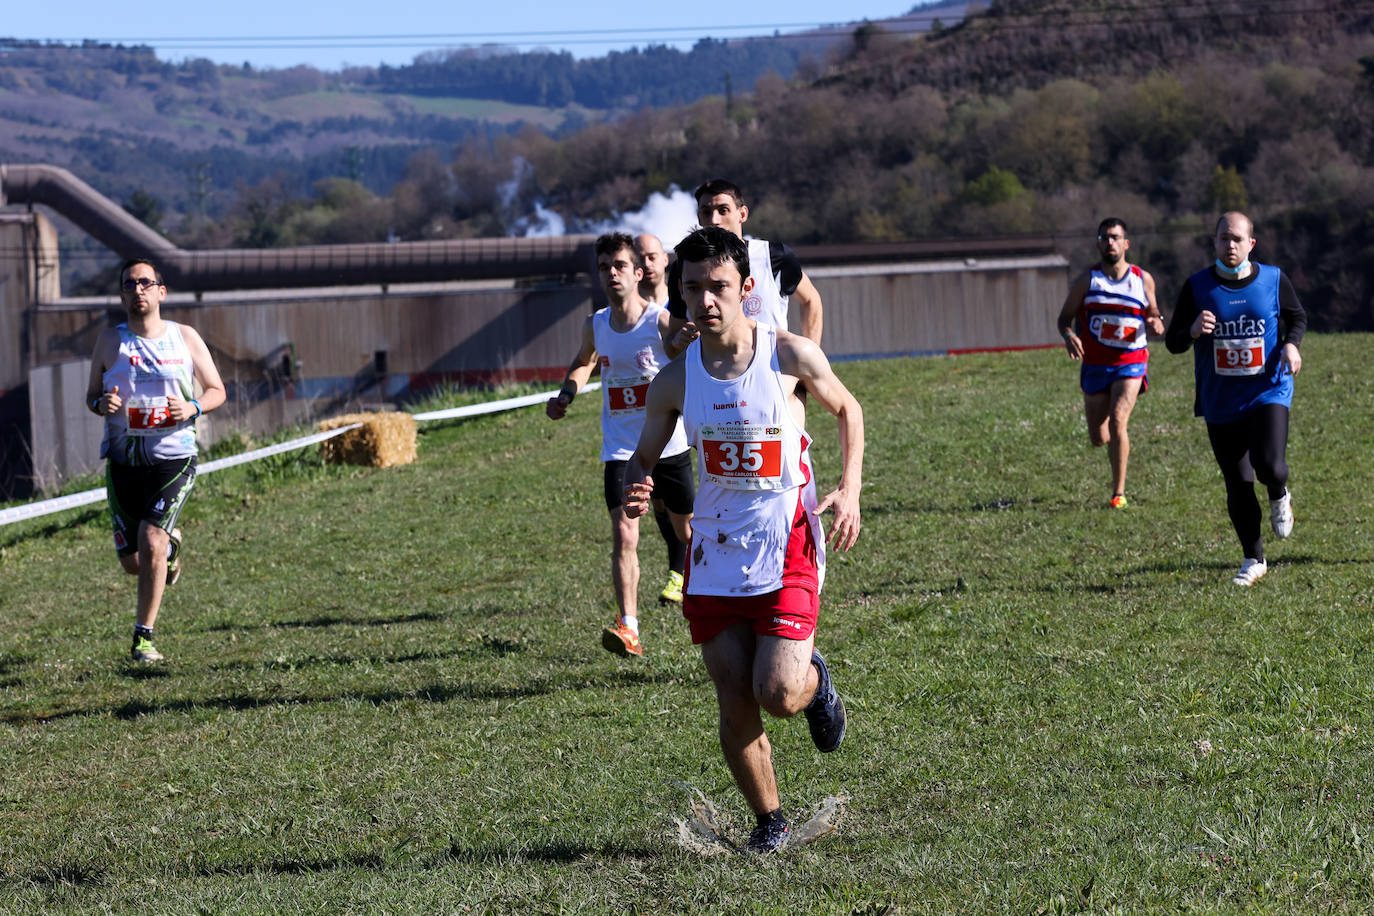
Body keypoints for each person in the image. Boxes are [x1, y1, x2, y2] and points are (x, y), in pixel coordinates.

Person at [623, 227, 864, 854]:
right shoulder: (674, 381)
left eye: (718, 287)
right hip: (716, 553)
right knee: (733, 692)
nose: (705, 300)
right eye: (693, 288)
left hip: (785, 536)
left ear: (746, 288)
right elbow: (643, 452)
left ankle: (816, 679)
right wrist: (637, 482)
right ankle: (770, 822)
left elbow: (848, 410)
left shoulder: (788, 356)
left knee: (778, 692)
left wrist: (851, 487)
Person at [546, 232, 695, 656]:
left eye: (619, 266)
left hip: (668, 447)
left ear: (637, 272)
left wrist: (682, 341)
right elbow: (583, 360)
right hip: (620, 452)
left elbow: (675, 345)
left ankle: (704, 593)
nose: (611, 274)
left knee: (686, 531)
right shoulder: (596, 324)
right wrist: (566, 395)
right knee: (625, 533)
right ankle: (629, 626)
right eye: (603, 268)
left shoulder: (658, 320)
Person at [85, 258, 226, 662]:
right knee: (134, 562)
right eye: (130, 285)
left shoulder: (185, 337)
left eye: (146, 283)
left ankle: (143, 638)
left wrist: (193, 407)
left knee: (150, 541)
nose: (138, 291)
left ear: (161, 292)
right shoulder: (110, 341)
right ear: (122, 294)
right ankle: (172, 549)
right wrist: (101, 402)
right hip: (123, 461)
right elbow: (91, 396)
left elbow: (217, 389)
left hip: (173, 457)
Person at [1165, 212, 1306, 586]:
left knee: (1270, 465)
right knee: (1238, 482)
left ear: (1251, 244)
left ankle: (1279, 493)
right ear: (1214, 242)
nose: (1231, 245)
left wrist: (1291, 346)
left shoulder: (1274, 280)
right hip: (1221, 400)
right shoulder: (1196, 286)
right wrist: (1192, 330)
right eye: (1224, 238)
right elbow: (1172, 341)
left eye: (1238, 239)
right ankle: (1253, 558)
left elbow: (1297, 317)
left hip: (1268, 389)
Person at [1056, 218, 1164, 509]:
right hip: (1095, 365)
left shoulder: (1142, 279)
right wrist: (1068, 335)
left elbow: (1154, 312)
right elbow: (1064, 319)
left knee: (1119, 422)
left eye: (1115, 237)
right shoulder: (1087, 281)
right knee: (1098, 437)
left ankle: (1118, 493)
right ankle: (1112, 446)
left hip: (1131, 361)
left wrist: (1155, 322)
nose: (1110, 243)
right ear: (1098, 244)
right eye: (1104, 238)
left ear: (1126, 244)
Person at [665, 179, 824, 346]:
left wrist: (812, 351)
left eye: (723, 210)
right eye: (706, 212)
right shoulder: (685, 268)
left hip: (771, 368)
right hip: (714, 369)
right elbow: (670, 343)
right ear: (699, 218)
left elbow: (810, 300)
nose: (714, 219)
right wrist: (677, 342)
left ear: (742, 214)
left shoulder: (773, 256)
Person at [635, 233, 671, 306]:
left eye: (652, 257)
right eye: (640, 259)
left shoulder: (683, 302)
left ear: (665, 259)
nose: (646, 264)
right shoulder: (623, 310)